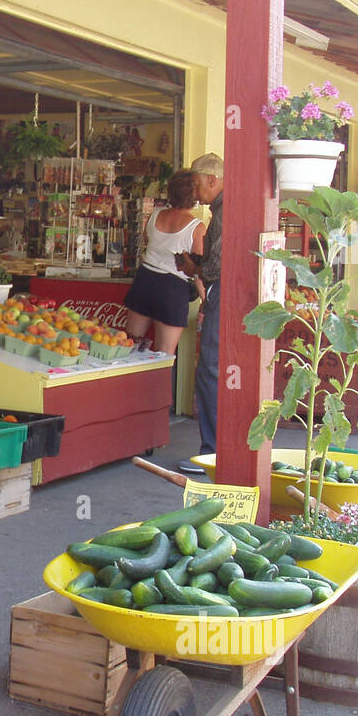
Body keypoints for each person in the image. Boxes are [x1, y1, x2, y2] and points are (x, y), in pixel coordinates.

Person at [175, 153, 223, 475]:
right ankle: (216, 450)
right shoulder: (219, 209)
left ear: (212, 180)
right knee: (212, 372)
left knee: (210, 371)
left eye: (196, 185)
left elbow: (218, 264)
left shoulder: (223, 211)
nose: (194, 192)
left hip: (222, 294)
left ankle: (212, 453)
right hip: (223, 294)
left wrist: (197, 269)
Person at [122, 170, 204, 358]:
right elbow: (197, 268)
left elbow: (146, 239)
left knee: (131, 346)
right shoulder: (196, 227)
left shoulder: (155, 215)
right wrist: (205, 300)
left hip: (145, 279)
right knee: (163, 354)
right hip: (172, 287)